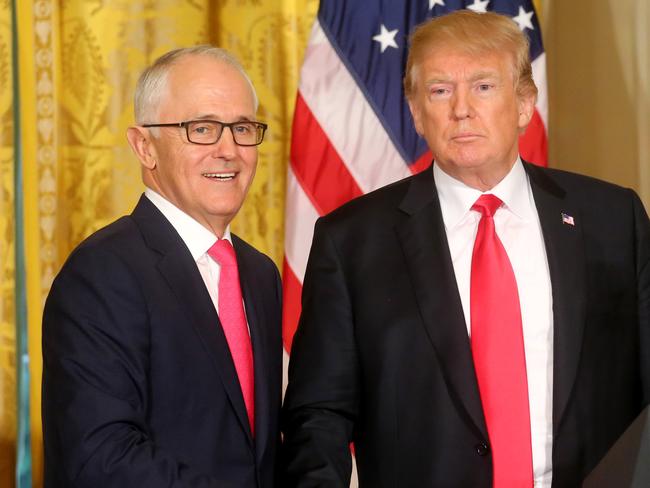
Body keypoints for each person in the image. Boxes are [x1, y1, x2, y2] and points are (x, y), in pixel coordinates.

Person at [282, 10, 650, 488]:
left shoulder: (613, 218)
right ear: (416, 112)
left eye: (483, 87)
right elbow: (318, 418)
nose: (461, 109)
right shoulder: (351, 241)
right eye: (439, 90)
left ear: (523, 104)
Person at [42, 46, 282, 487]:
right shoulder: (101, 273)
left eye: (243, 128)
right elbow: (100, 457)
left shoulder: (260, 273)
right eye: (202, 129)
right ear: (145, 146)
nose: (229, 150)